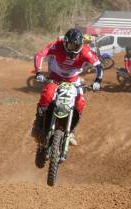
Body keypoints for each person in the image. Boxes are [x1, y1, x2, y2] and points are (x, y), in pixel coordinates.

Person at [31, 28, 103, 159]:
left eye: (76, 46)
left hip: (73, 81)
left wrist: (98, 80)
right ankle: (38, 123)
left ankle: (71, 131)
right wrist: (38, 72)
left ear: (81, 44)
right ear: (65, 43)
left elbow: (98, 65)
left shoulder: (86, 51)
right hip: (55, 78)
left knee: (80, 102)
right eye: (70, 45)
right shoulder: (57, 44)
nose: (73, 48)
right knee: (47, 95)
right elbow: (40, 55)